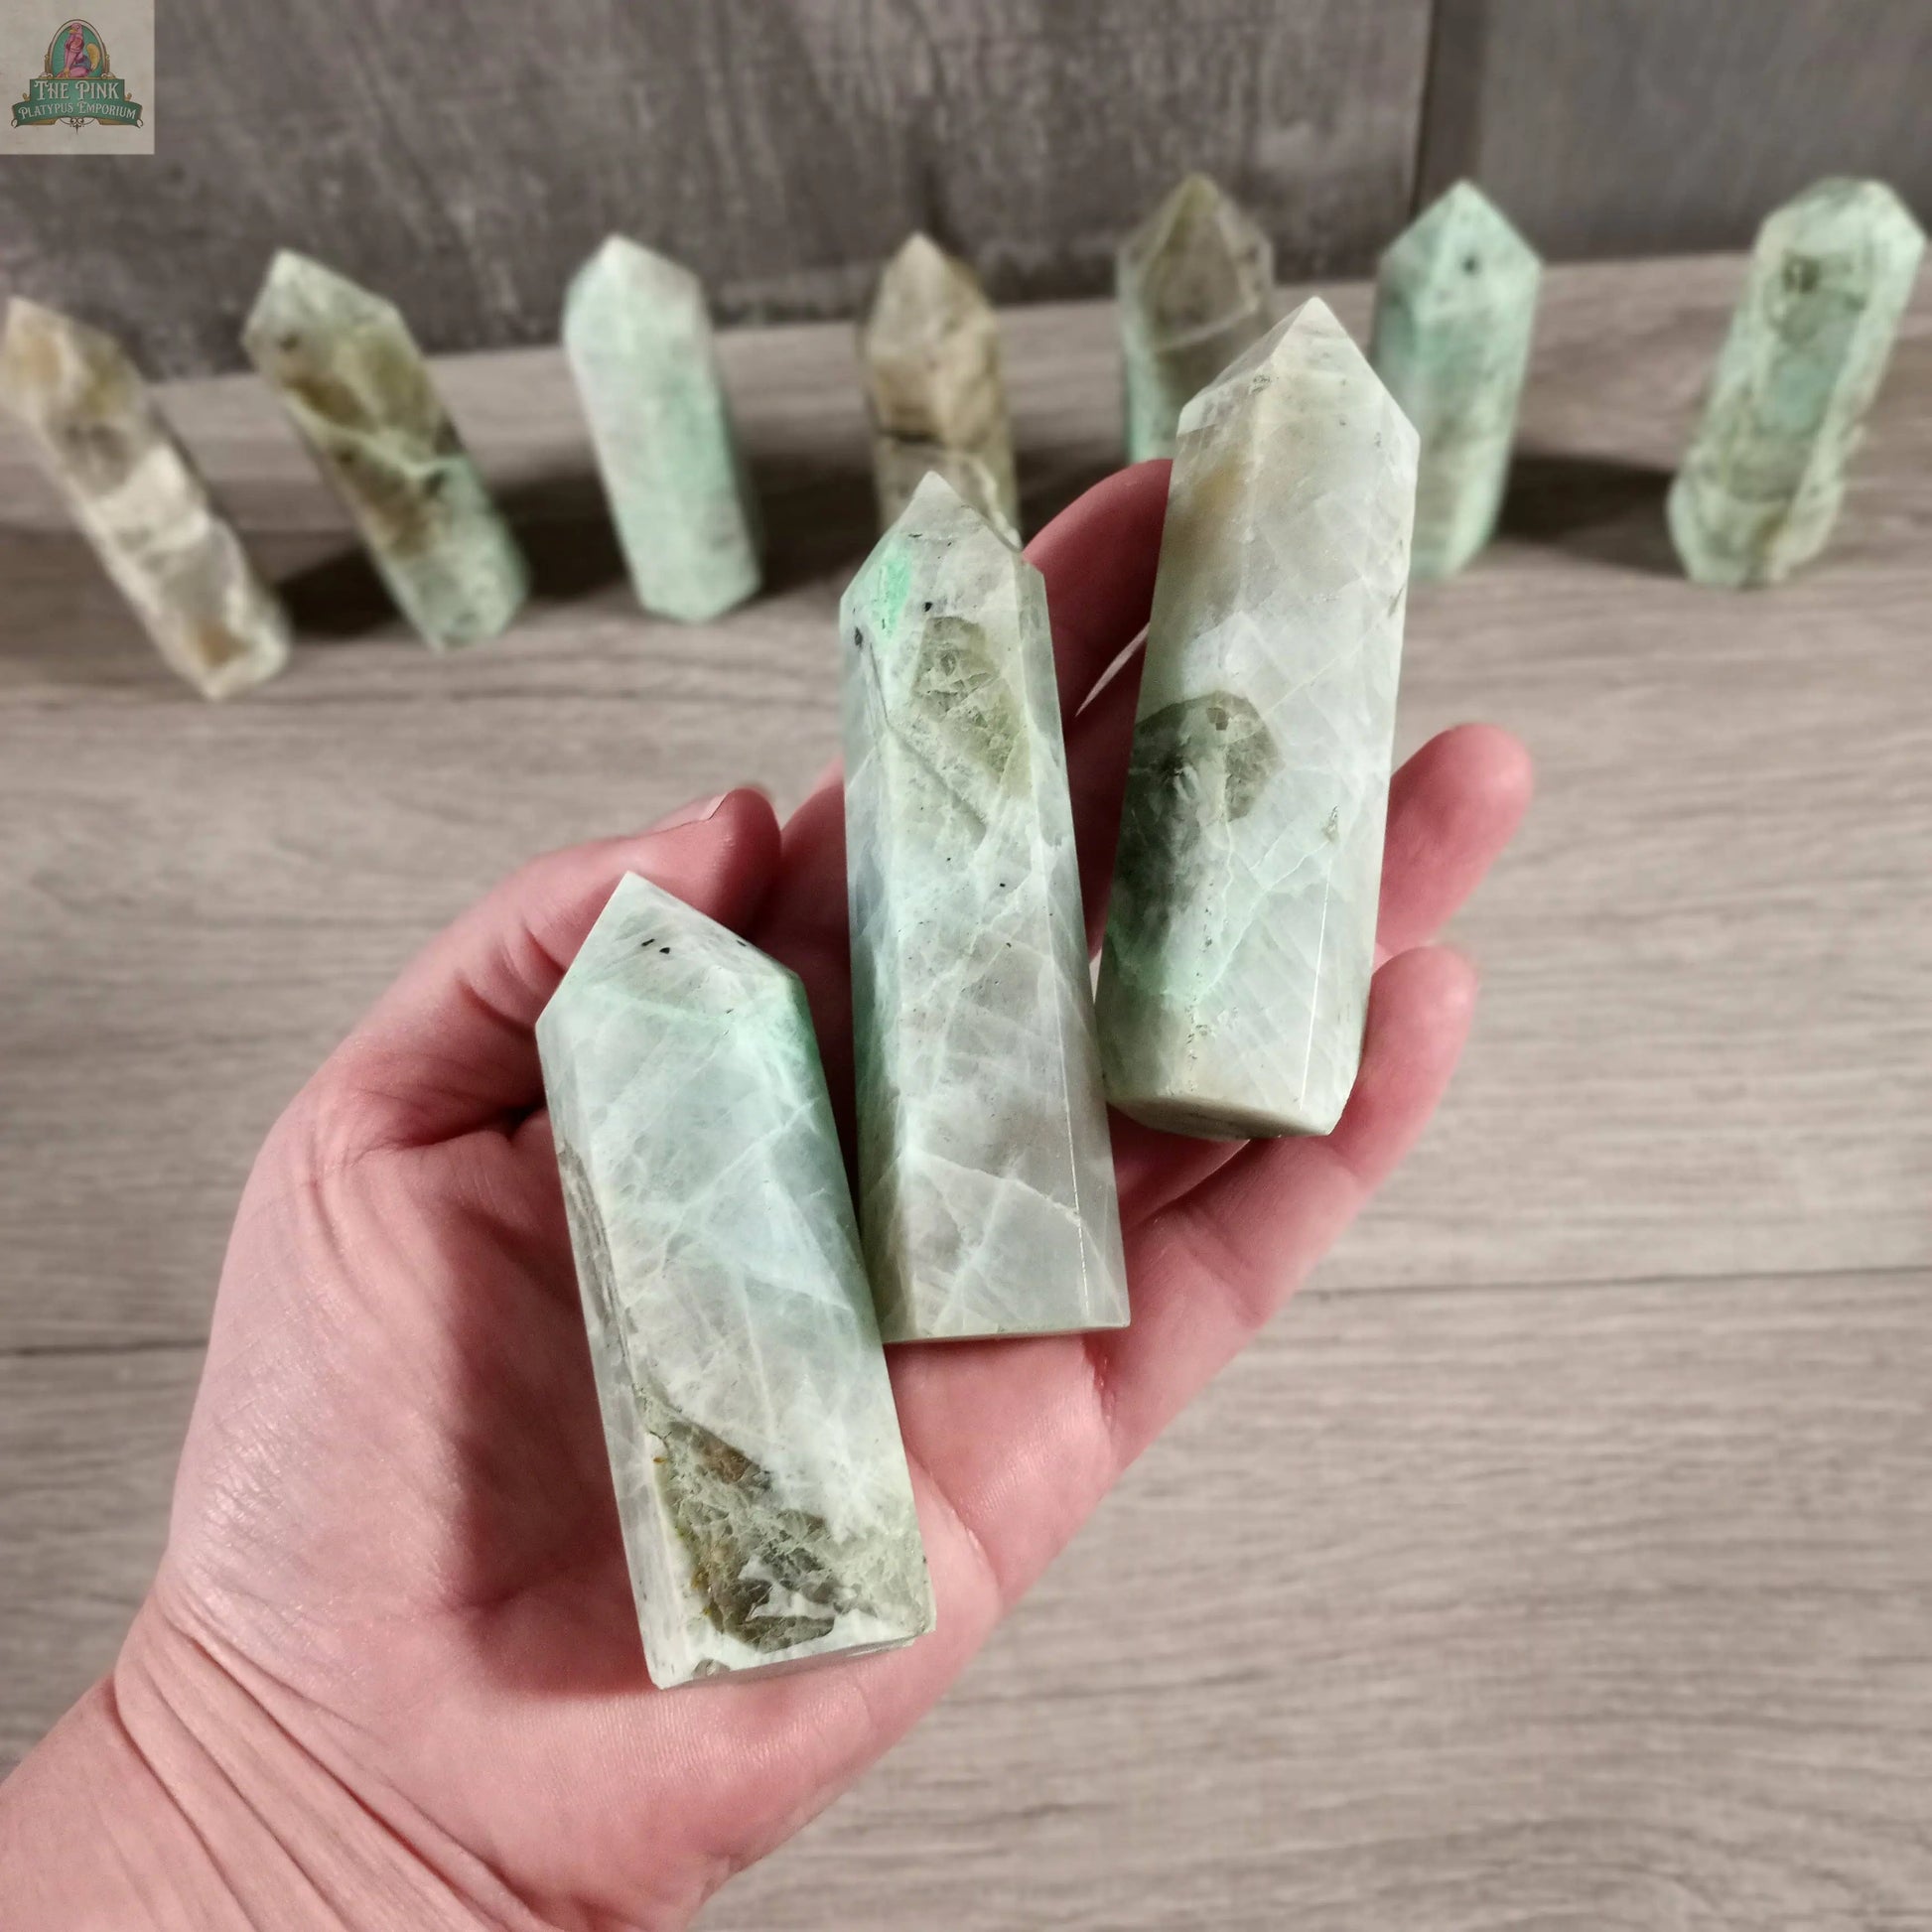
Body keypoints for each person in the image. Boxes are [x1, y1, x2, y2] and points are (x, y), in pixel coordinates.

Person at [0, 466, 1530, 1928]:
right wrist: (279, 1786)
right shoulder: (675, 1013)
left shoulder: (687, 986)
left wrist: (268, 1799)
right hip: (828, 1426)